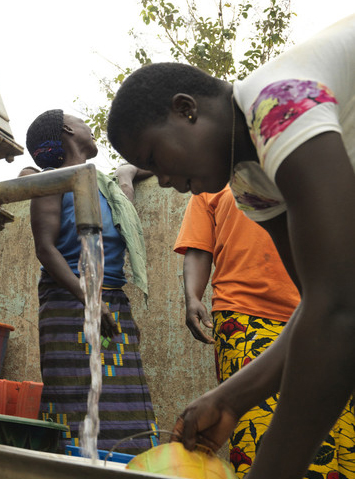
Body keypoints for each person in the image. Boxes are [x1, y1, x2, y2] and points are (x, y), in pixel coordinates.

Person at [106, 13, 355, 478]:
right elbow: (317, 305)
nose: (162, 181)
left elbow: (341, 312)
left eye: (155, 158)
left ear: (186, 109)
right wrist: (230, 399)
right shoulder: (250, 182)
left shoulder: (279, 104)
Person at [173, 185, 355, 476]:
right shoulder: (207, 183)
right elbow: (198, 247)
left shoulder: (293, 162)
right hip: (246, 315)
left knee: (338, 431)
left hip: (326, 316)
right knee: (261, 428)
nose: (169, 179)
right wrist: (192, 297)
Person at [26, 110, 157, 454]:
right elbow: (45, 248)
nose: (89, 127)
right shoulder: (51, 180)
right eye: (81, 120)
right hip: (69, 301)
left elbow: (151, 168)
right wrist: (90, 300)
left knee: (126, 401)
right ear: (68, 129)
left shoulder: (105, 187)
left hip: (113, 301)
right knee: (75, 398)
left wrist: (126, 172)